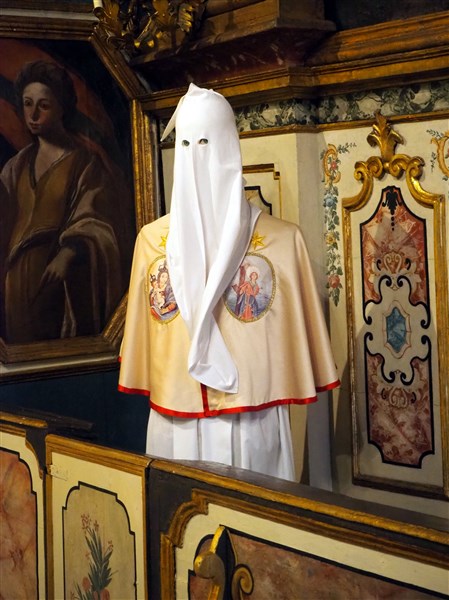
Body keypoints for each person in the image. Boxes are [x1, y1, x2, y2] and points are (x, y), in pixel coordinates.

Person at [119, 83, 339, 480]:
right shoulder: (151, 242)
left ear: (229, 146)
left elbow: (296, 343)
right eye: (186, 144)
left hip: (253, 421)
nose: (196, 157)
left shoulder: (282, 241)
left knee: (256, 513)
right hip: (174, 422)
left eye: (206, 142)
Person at [0, 60, 130, 344]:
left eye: (44, 105)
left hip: (60, 286)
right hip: (14, 286)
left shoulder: (85, 163)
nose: (33, 114)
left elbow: (99, 224)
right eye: (27, 104)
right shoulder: (14, 168)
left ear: (61, 108)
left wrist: (68, 254)